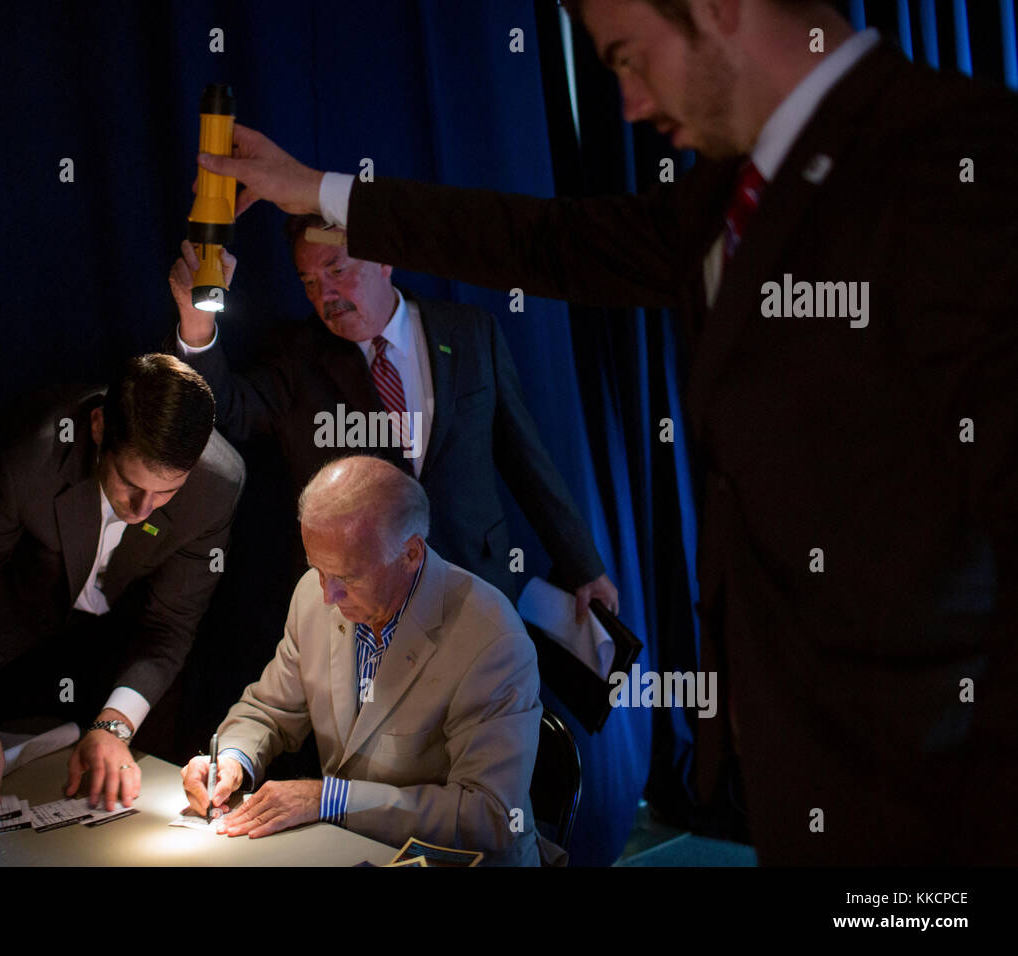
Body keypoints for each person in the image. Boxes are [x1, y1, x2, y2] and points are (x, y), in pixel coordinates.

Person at [192, 0, 1018, 864]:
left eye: (626, 57)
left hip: (940, 778)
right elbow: (553, 243)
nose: (626, 103)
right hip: (803, 770)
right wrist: (320, 191)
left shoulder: (964, 165)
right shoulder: (732, 193)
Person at [167, 224, 617, 616]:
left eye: (337, 270)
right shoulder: (297, 356)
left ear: (383, 258)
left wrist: (583, 567)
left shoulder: (470, 334)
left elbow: (525, 460)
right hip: (365, 608)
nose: (325, 295)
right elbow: (225, 411)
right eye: (308, 281)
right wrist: (196, 323)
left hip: (477, 587)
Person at [180, 456, 560, 866]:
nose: (328, 596)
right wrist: (232, 759)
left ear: (411, 554)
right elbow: (269, 710)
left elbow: (490, 816)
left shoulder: (491, 639)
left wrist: (332, 799)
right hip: (351, 851)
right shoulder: (314, 594)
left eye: (348, 577)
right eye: (319, 570)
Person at [0, 353, 245, 821]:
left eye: (166, 493)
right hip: (10, 643)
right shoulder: (30, 452)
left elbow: (170, 626)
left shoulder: (219, 483)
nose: (142, 509)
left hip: (125, 649)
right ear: (98, 427)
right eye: (129, 484)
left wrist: (113, 727)